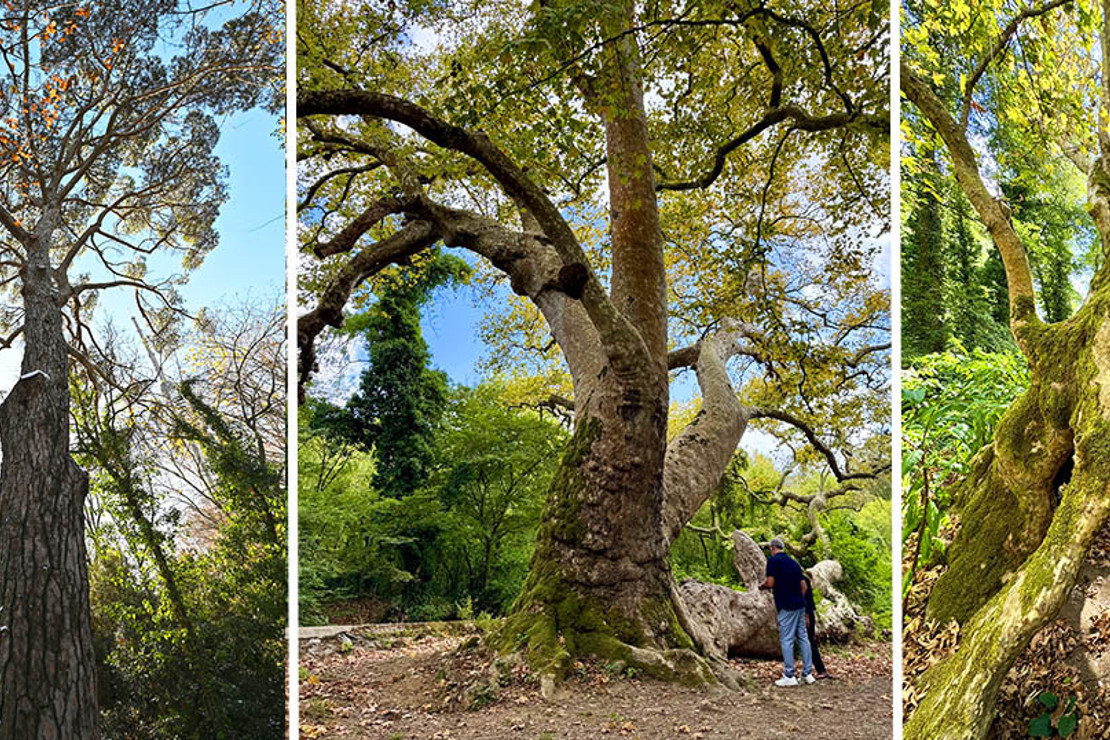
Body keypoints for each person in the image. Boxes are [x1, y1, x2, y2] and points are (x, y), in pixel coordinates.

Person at [760, 537, 814, 687]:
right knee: (803, 637)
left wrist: (762, 586)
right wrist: (798, 599)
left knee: (787, 639)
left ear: (772, 548)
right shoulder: (794, 563)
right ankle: (807, 673)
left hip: (786, 605)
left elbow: (771, 582)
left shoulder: (773, 561)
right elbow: (804, 586)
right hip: (800, 605)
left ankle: (789, 675)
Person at [802, 572, 830, 679]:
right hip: (806, 613)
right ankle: (813, 669)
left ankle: (820, 670)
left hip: (807, 613)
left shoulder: (802, 579)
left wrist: (806, 615)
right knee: (807, 641)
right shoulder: (800, 578)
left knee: (809, 641)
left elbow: (807, 600)